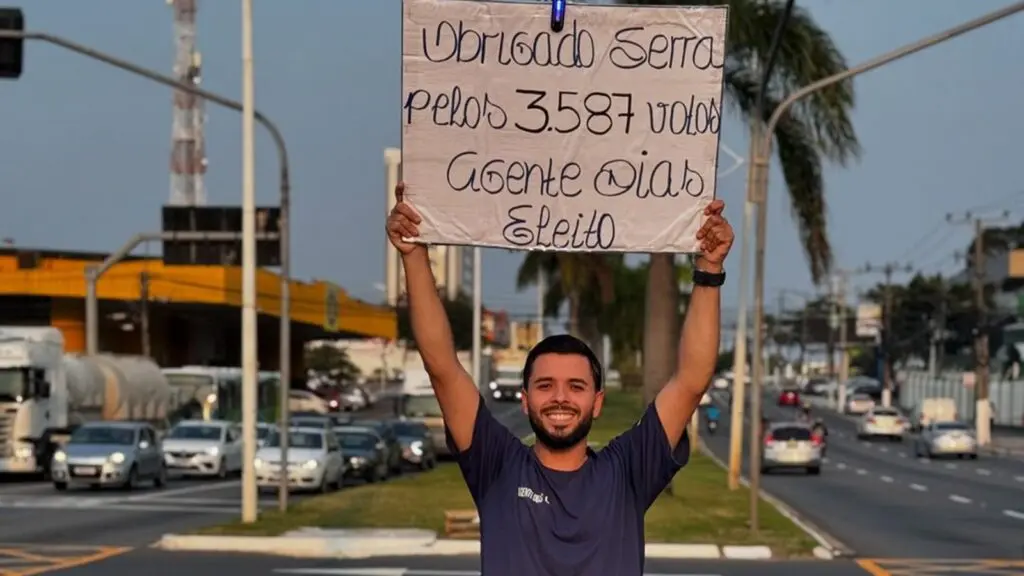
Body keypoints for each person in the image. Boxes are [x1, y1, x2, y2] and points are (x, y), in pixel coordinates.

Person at [386, 182, 734, 576]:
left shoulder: (627, 472)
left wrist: (709, 269)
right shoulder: (497, 466)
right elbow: (443, 368)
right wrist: (414, 255)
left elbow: (691, 380)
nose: (560, 398)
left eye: (576, 386)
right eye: (545, 385)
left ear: (598, 402)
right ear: (525, 399)